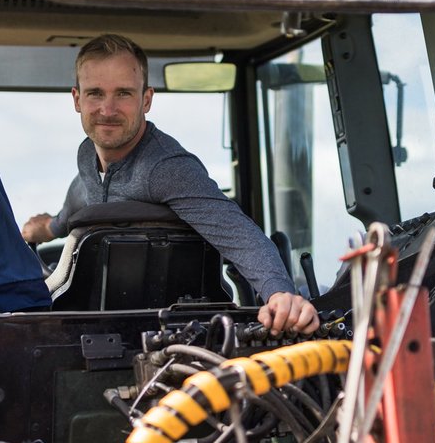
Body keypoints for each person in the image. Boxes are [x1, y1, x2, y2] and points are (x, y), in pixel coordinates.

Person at [23, 34, 318, 335]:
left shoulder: (166, 168)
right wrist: (47, 229)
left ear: (146, 99)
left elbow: (237, 233)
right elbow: (79, 200)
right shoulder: (87, 158)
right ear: (77, 99)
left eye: (123, 93)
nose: (107, 109)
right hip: (91, 332)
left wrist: (280, 294)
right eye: (95, 93)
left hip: (175, 336)